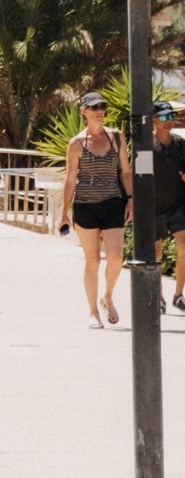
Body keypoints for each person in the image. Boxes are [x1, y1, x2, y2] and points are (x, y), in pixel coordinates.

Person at [59, 90, 132, 330]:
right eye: (94, 107)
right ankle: (93, 312)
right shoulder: (77, 143)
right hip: (86, 205)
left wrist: (130, 199)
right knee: (92, 260)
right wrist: (63, 213)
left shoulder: (116, 137)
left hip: (112, 202)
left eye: (102, 106)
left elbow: (125, 171)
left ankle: (107, 296)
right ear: (84, 112)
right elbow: (70, 179)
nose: (99, 111)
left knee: (116, 257)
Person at [150, 102, 185, 313]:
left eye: (170, 117)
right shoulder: (146, 145)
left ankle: (178, 295)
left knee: (184, 247)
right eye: (163, 118)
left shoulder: (181, 144)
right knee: (155, 253)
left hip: (178, 205)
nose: (168, 121)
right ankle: (158, 297)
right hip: (154, 207)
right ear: (153, 120)